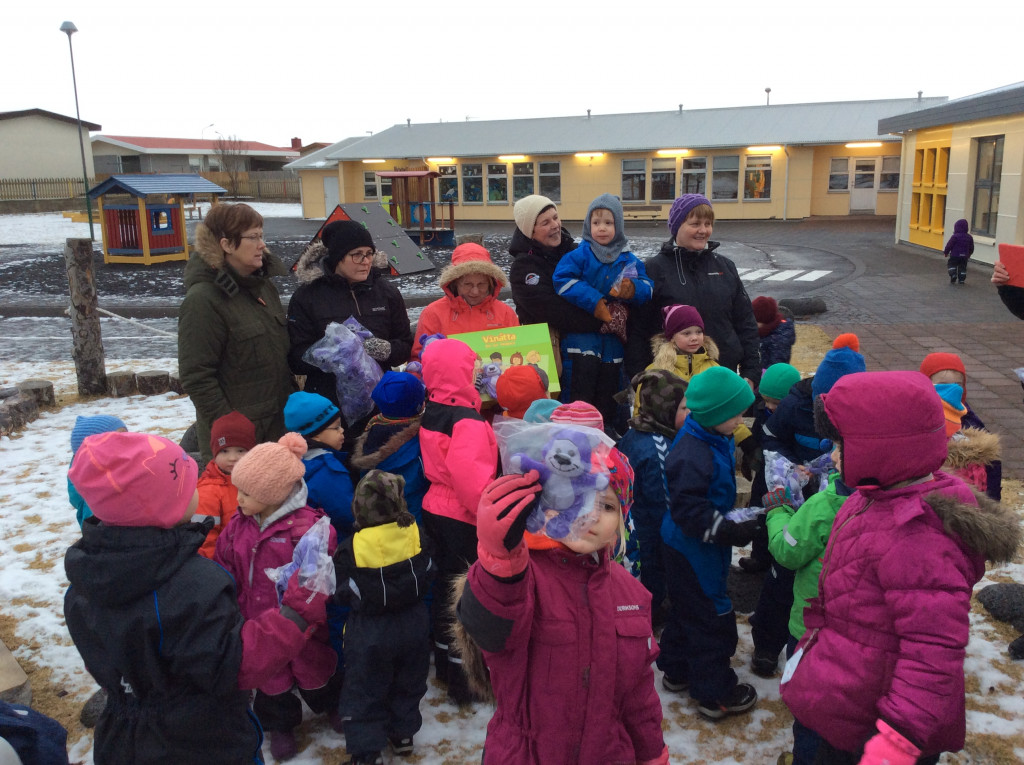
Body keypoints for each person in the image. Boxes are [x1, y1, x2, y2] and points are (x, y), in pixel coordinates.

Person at [779, 371, 1022, 765]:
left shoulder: (918, 537)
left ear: (883, 449)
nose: (833, 455)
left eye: (842, 444)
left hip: (878, 725)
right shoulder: (874, 494)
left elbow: (932, 654)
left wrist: (896, 742)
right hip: (850, 688)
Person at [64, 431, 330, 765]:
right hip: (203, 737)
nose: (198, 491)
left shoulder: (83, 585)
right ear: (165, 505)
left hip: (122, 735)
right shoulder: (192, 586)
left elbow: (101, 663)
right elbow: (237, 664)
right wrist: (297, 612)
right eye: (189, 486)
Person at [456, 453, 669, 765]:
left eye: (608, 506)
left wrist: (653, 755)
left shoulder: (631, 593)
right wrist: (499, 560)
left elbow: (639, 696)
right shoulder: (522, 576)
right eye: (579, 496)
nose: (591, 515)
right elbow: (493, 626)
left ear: (621, 523)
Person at [214, 433, 341, 761]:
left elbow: (317, 573)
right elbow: (225, 562)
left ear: (274, 494)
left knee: (314, 667)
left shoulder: (307, 529)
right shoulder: (238, 526)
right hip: (256, 618)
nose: (238, 499)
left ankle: (332, 704)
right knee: (271, 676)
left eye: (246, 493)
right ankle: (281, 725)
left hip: (301, 622)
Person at [658, 366, 761, 720]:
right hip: (693, 547)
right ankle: (714, 693)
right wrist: (730, 530)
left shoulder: (709, 433)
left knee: (687, 607)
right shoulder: (693, 453)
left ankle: (676, 668)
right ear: (715, 414)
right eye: (735, 415)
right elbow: (690, 511)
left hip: (695, 541)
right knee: (710, 615)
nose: (740, 420)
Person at [178, 203, 295, 462]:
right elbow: (197, 377)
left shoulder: (263, 288)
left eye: (261, 236)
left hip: (276, 430)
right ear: (227, 245)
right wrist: (231, 431)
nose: (262, 245)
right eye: (253, 237)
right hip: (235, 447)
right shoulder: (203, 300)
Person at [333, 470, 434, 765]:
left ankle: (367, 752)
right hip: (414, 624)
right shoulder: (415, 532)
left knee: (364, 688)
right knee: (408, 681)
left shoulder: (352, 546)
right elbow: (430, 569)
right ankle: (403, 735)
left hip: (371, 630)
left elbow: (341, 589)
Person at [418, 338, 498, 706]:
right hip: (462, 515)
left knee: (443, 589)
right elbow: (470, 479)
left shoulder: (433, 407)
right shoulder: (466, 420)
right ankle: (465, 678)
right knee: (465, 593)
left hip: (435, 506)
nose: (476, 371)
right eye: (472, 366)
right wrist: (488, 517)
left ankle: (444, 664)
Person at [763, 447, 850, 765]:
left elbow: (787, 550)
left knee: (811, 708)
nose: (833, 455)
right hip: (859, 637)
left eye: (840, 448)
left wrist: (778, 511)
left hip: (812, 630)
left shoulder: (826, 504)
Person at [287, 220, 413, 434]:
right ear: (337, 257)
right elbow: (296, 358)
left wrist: (385, 350)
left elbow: (405, 344)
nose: (366, 261)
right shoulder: (307, 297)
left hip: (381, 404)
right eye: (357, 255)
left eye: (369, 253)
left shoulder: (386, 293)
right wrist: (333, 355)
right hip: (328, 411)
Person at [626, 194, 760, 388]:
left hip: (723, 375)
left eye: (708, 224)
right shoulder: (654, 270)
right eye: (695, 224)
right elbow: (637, 330)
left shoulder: (725, 267)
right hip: (672, 384)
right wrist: (640, 378)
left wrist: (751, 371)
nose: (703, 230)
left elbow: (745, 322)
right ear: (677, 226)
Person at [551, 193, 653, 426]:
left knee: (610, 392)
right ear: (588, 225)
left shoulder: (628, 259)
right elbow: (562, 281)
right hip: (581, 339)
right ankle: (574, 430)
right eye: (596, 222)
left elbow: (648, 287)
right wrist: (594, 301)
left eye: (608, 222)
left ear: (619, 226)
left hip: (614, 340)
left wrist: (632, 289)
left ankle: (606, 431)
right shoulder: (579, 255)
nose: (602, 228)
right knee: (579, 391)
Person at [616, 369, 690, 625]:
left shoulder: (637, 430)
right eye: (683, 408)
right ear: (664, 408)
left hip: (637, 522)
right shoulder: (657, 446)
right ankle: (651, 613)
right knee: (653, 573)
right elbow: (663, 499)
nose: (689, 413)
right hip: (650, 529)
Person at [508, 195, 605, 373]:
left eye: (555, 217)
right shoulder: (524, 269)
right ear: (531, 232)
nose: (555, 225)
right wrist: (603, 319)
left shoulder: (575, 252)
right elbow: (556, 312)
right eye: (545, 223)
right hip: (550, 356)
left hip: (590, 349)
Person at [738, 362, 803, 574]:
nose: (770, 406)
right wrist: (750, 456)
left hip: (786, 476)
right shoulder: (763, 410)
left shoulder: (797, 417)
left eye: (776, 403)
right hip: (764, 473)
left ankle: (779, 560)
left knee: (783, 515)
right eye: (766, 400)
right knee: (761, 512)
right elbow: (758, 436)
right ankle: (759, 556)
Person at [410, 242, 519, 360]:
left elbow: (519, 353)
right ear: (454, 283)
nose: (475, 291)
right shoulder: (433, 313)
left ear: (491, 284)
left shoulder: (506, 313)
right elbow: (418, 358)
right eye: (468, 284)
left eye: (481, 284)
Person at [919, 352, 1001, 500]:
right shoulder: (918, 417)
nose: (952, 390)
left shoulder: (969, 420)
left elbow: (992, 462)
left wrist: (991, 501)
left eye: (958, 385)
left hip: (971, 495)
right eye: (943, 385)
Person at [350, 372, 429, 524]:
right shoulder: (419, 439)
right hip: (415, 516)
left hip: (380, 517)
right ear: (420, 405)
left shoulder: (372, 429)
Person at [284, 391, 356, 538]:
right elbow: (349, 515)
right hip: (335, 542)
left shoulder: (292, 462)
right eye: (336, 427)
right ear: (316, 434)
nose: (342, 430)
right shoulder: (329, 472)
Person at [195, 411, 256, 558]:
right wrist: (215, 567)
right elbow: (204, 539)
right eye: (224, 451)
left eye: (240, 450)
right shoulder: (208, 490)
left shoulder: (258, 480)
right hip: (226, 561)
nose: (232, 458)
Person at [68, 414, 127, 528]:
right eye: (119, 439)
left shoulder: (119, 467)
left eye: (128, 436)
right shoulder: (94, 500)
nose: (130, 442)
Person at [752, 295, 796, 369]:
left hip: (770, 373)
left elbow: (777, 367)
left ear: (764, 320)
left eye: (755, 320)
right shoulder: (764, 331)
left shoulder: (779, 340)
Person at [943, 218, 974, 285]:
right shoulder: (969, 237)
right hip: (964, 256)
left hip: (955, 255)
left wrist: (946, 252)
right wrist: (969, 254)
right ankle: (961, 279)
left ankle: (953, 274)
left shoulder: (955, 236)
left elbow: (949, 245)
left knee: (952, 264)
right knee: (963, 267)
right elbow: (971, 247)